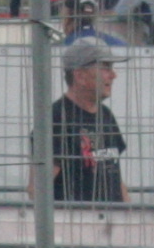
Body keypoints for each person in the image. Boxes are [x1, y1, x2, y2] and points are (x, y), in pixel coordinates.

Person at [50, 34, 128, 203]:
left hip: (112, 217)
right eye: (105, 67)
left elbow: (116, 179)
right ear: (80, 76)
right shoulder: (55, 119)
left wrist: (129, 213)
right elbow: (38, 188)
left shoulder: (106, 115)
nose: (113, 75)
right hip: (75, 218)